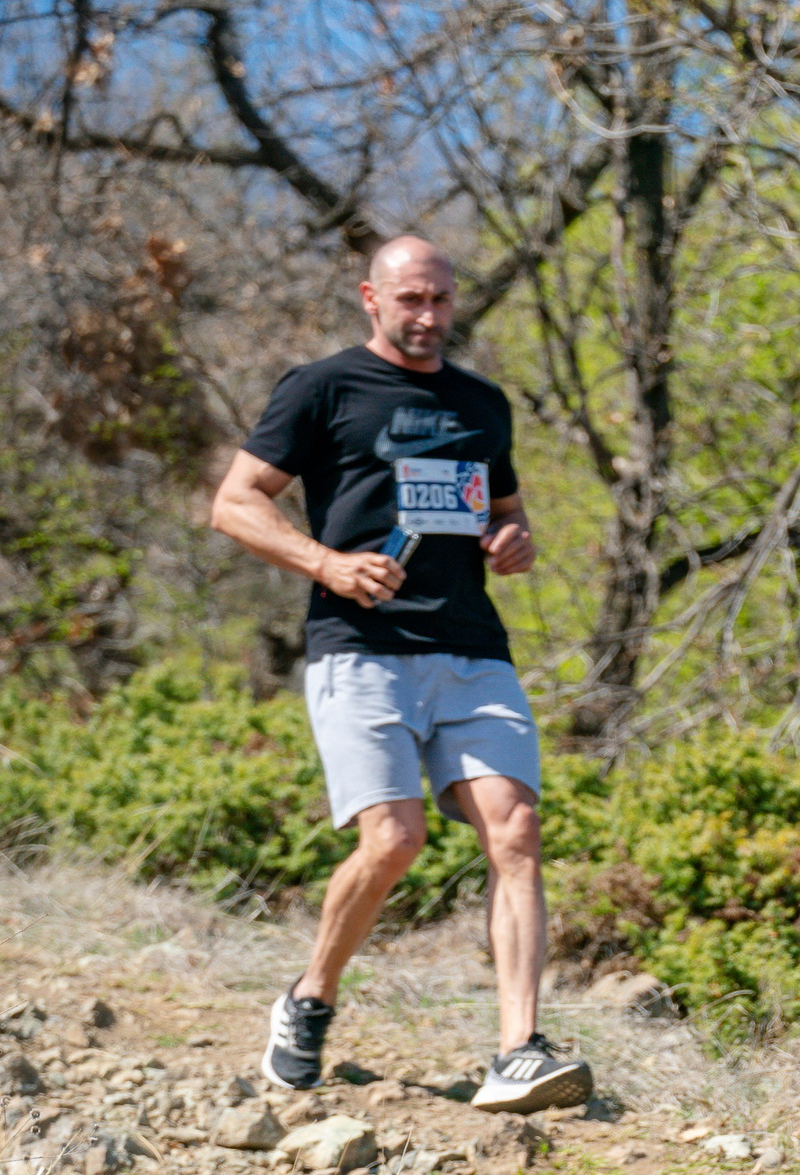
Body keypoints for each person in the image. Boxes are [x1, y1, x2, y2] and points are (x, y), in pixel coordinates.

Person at [208, 235, 593, 1115]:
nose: (428, 316)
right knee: (394, 841)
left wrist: (515, 542)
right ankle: (309, 999)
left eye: (441, 300)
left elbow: (505, 512)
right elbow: (234, 503)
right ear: (371, 299)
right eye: (410, 299)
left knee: (517, 829)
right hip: (360, 646)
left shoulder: (482, 403)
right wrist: (327, 565)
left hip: (471, 649)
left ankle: (518, 1050)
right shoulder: (322, 388)